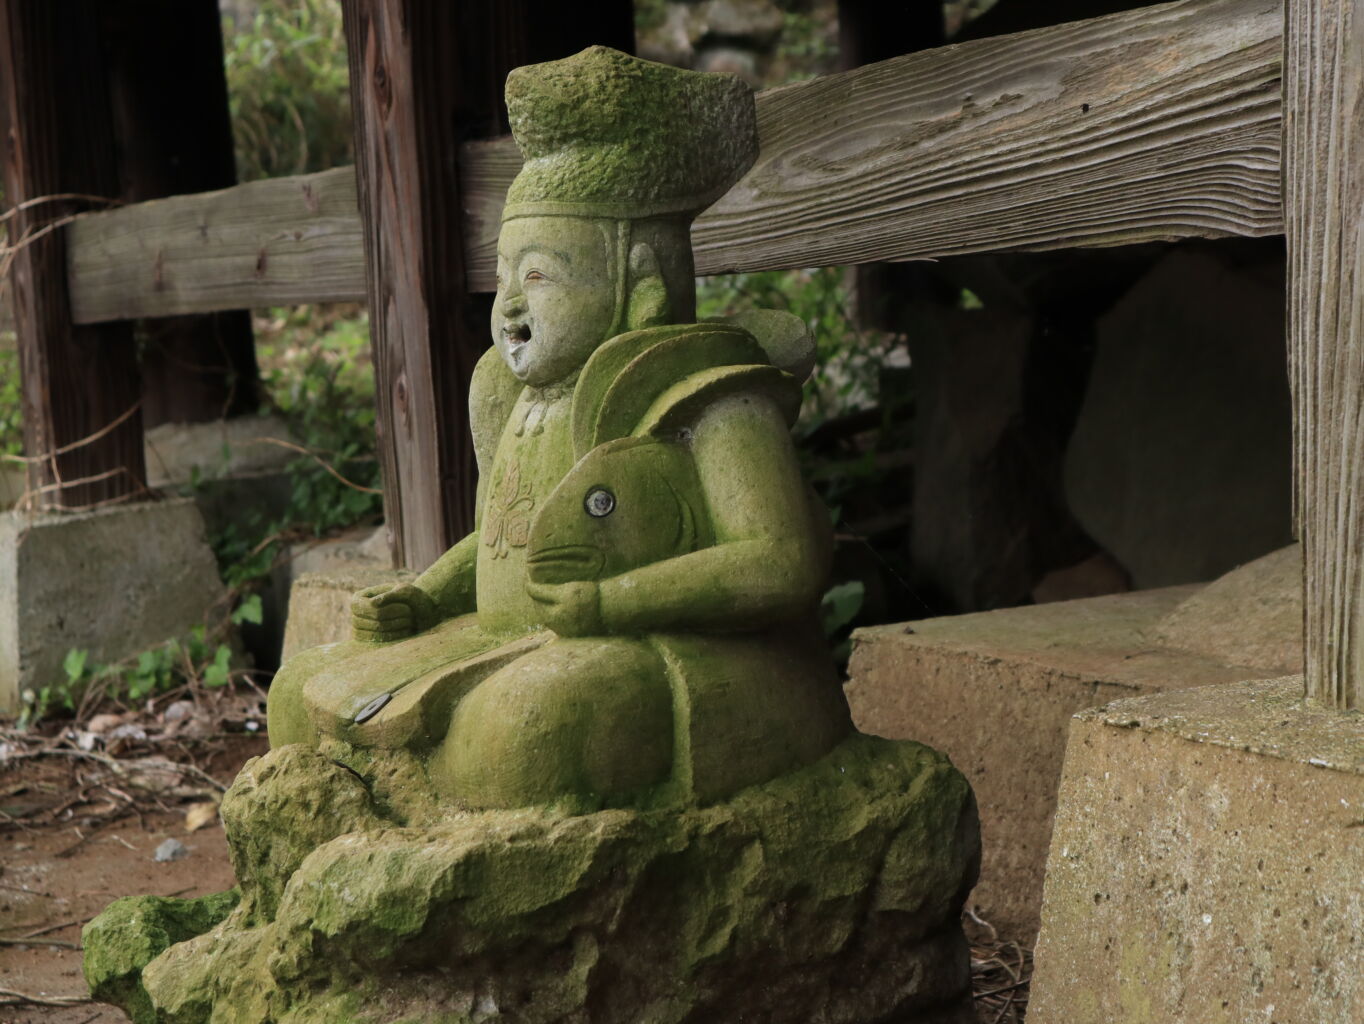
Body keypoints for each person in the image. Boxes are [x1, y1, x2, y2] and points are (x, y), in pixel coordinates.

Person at [266, 46, 847, 811]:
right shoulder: (509, 396)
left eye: (537, 276)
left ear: (641, 283)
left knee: (518, 733)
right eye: (502, 277)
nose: (509, 303)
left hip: (674, 649)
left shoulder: (710, 394)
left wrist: (615, 605)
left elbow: (780, 561)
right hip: (512, 636)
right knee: (299, 691)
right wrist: (431, 594)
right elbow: (505, 535)